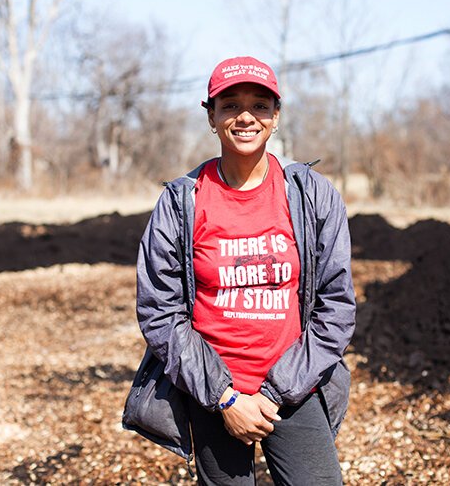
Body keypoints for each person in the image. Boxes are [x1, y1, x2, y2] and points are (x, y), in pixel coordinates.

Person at [123, 55, 356, 485]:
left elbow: (336, 307)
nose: (245, 117)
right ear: (211, 116)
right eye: (229, 105)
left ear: (276, 116)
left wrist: (273, 392)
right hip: (212, 391)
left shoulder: (312, 196)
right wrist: (226, 399)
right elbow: (159, 311)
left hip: (295, 386)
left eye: (259, 105)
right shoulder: (181, 203)